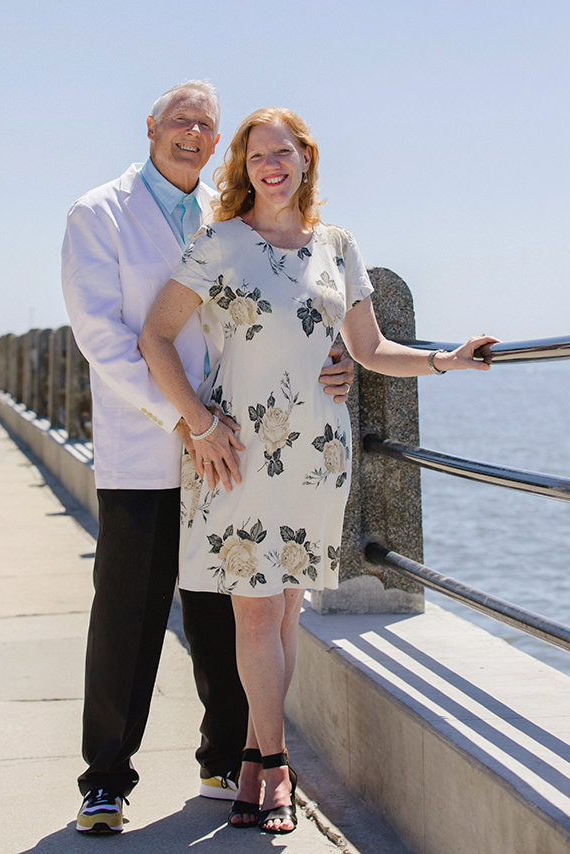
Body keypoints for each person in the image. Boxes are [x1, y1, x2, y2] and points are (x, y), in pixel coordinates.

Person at [139, 107, 496, 834]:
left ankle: (253, 755)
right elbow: (154, 336)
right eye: (256, 155)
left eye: (283, 152)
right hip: (236, 449)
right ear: (244, 167)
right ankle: (274, 765)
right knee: (257, 609)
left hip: (316, 456)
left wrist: (445, 358)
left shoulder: (339, 246)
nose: (271, 165)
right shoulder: (219, 244)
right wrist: (198, 424)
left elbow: (368, 349)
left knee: (288, 609)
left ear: (305, 159)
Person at [60, 80, 356, 834]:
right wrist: (188, 419)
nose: (192, 133)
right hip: (153, 448)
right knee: (128, 614)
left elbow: (277, 315)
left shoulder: (228, 222)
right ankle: (106, 780)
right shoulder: (99, 214)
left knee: (227, 617)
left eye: (206, 126)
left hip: (241, 452)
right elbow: (104, 339)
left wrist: (338, 362)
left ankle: (230, 757)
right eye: (180, 120)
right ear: (151, 126)